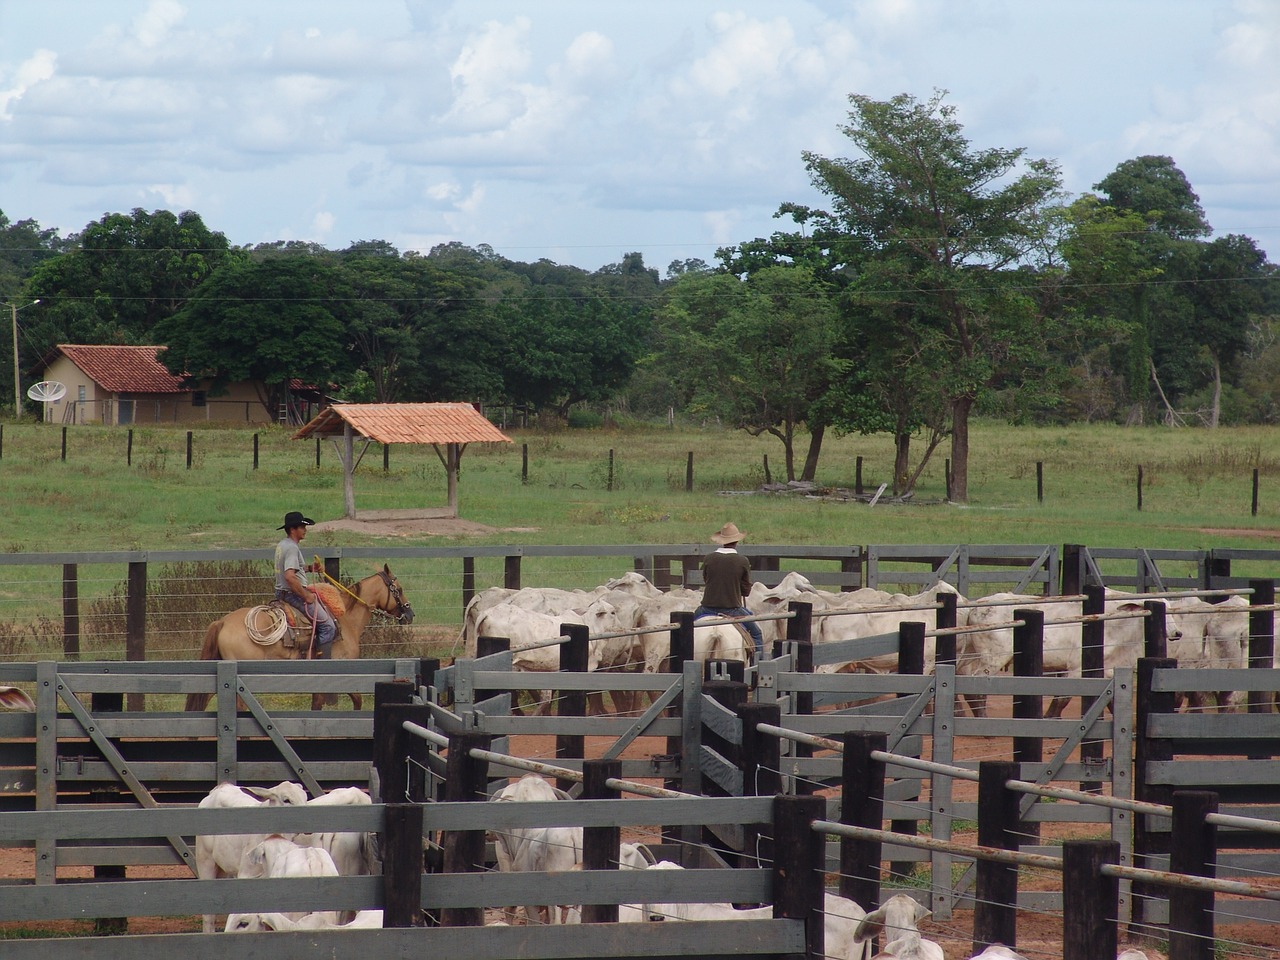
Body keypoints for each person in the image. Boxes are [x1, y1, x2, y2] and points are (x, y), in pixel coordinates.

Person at [694, 521, 764, 659]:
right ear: (736, 541)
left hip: (706, 608)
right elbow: (746, 590)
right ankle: (757, 666)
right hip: (732, 609)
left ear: (721, 541)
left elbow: (706, 579)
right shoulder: (742, 560)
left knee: (684, 631)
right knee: (756, 634)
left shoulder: (709, 558)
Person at [273, 511, 337, 658]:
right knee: (328, 626)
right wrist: (306, 595)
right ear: (292, 529)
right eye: (302, 527)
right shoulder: (292, 548)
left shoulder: (282, 545)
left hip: (281, 592)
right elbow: (289, 576)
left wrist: (309, 568)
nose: (305, 530)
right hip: (292, 594)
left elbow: (290, 570)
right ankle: (323, 665)